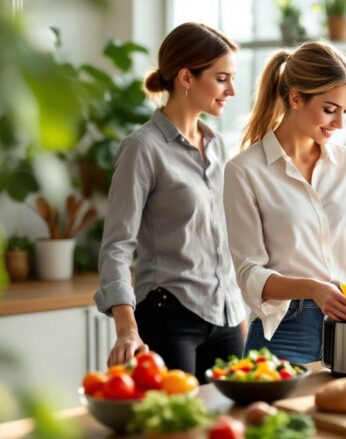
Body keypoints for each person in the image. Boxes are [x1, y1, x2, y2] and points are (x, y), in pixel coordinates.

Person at [224, 41, 346, 364]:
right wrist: (314, 289)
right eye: (329, 109)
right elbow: (250, 274)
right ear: (295, 98)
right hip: (286, 332)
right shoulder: (244, 171)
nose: (339, 124)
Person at [95, 22, 246, 382]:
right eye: (222, 78)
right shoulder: (142, 148)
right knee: (178, 427)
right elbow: (117, 246)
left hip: (224, 318)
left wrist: (237, 314)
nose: (232, 90)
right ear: (186, 78)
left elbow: (223, 236)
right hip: (169, 318)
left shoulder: (217, 145)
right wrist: (126, 330)